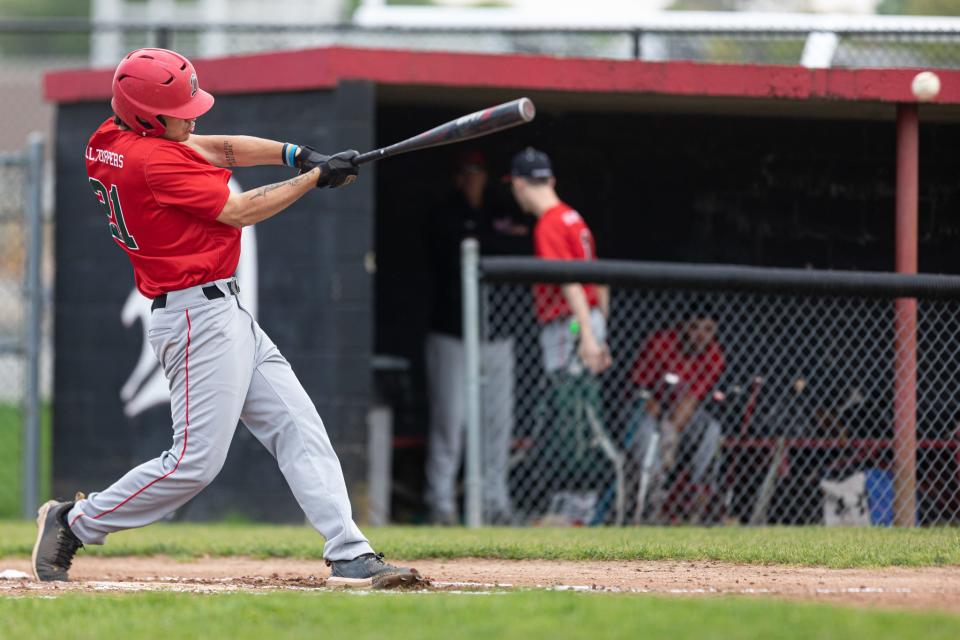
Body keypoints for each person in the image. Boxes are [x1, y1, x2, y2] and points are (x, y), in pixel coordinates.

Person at [31, 48, 419, 589]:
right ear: (146, 116)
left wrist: (297, 155)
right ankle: (74, 522)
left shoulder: (111, 139)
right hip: (196, 319)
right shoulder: (153, 162)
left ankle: (349, 551)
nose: (193, 115)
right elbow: (239, 210)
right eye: (180, 109)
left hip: (224, 311)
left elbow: (211, 147)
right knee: (193, 462)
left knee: (296, 425)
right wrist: (316, 180)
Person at [423, 150, 530, 525]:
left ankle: (495, 504)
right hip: (451, 334)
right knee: (450, 423)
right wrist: (493, 240)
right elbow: (452, 252)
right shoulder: (444, 213)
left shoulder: (500, 210)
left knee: (498, 425)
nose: (475, 179)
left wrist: (488, 239)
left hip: (497, 336)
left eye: (480, 172)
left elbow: (523, 245)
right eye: (468, 172)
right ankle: (441, 504)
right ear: (458, 177)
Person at [508, 147, 612, 519]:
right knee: (581, 409)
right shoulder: (573, 217)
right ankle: (577, 503)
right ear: (550, 179)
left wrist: (586, 333)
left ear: (520, 184)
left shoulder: (550, 222)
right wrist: (600, 330)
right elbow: (600, 279)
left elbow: (570, 281)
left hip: (569, 324)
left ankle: (577, 506)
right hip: (587, 320)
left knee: (572, 413)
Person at [628, 312, 726, 522]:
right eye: (695, 328)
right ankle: (650, 500)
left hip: (681, 415)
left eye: (708, 330)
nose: (701, 336)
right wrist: (660, 430)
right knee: (647, 433)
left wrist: (670, 432)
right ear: (682, 327)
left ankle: (698, 491)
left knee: (712, 429)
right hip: (648, 408)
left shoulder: (714, 355)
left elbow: (691, 401)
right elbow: (643, 391)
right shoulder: (660, 343)